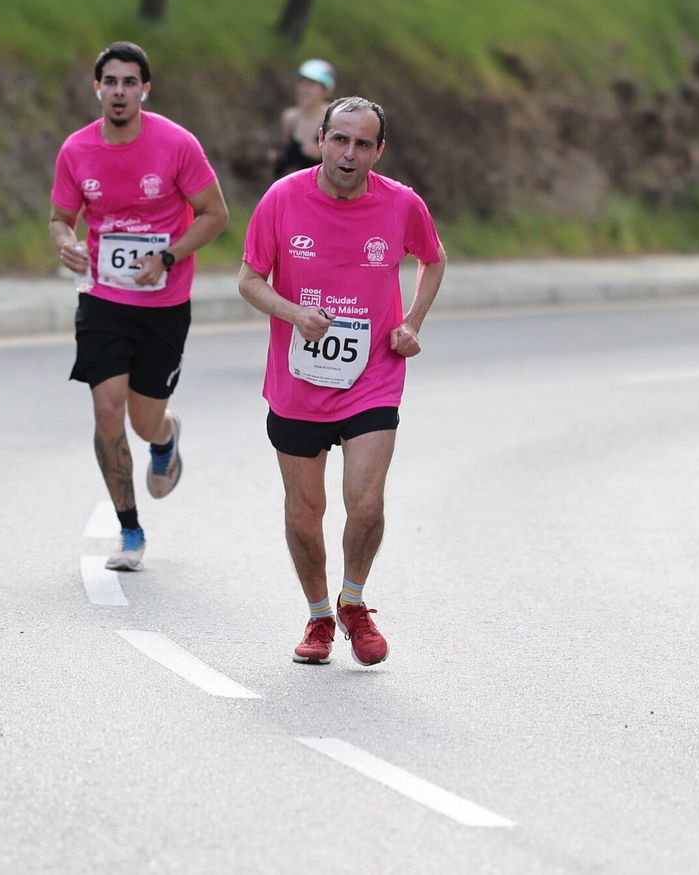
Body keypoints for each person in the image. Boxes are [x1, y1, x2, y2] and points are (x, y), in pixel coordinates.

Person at [237, 96, 446, 667]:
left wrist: (411, 323)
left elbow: (433, 259)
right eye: (339, 140)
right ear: (320, 141)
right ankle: (319, 616)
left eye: (362, 144)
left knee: (367, 500)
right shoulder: (282, 199)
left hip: (373, 374)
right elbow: (249, 279)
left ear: (379, 151)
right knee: (305, 509)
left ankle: (353, 602)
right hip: (298, 380)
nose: (349, 154)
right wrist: (293, 313)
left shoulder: (402, 204)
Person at [50, 41, 229, 571]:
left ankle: (165, 437)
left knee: (144, 420)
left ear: (145, 90)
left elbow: (215, 215)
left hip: (163, 303)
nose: (120, 91)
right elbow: (61, 218)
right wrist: (66, 243)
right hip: (103, 298)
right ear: (97, 88)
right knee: (107, 409)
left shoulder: (176, 144)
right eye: (111, 81)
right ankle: (129, 530)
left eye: (130, 82)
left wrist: (168, 256)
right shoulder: (77, 150)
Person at [269, 59, 335, 181]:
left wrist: (322, 154)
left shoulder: (334, 118)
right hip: (289, 185)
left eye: (311, 84)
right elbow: (285, 149)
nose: (304, 90)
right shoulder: (289, 117)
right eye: (302, 83)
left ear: (327, 90)